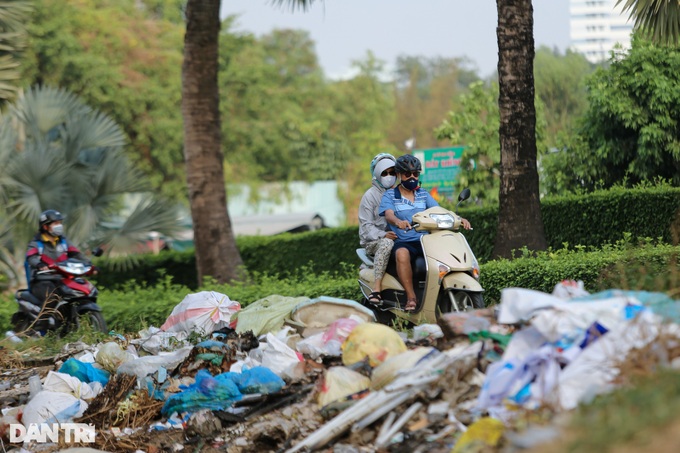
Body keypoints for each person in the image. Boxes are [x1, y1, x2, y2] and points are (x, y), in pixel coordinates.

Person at [379, 155, 471, 311]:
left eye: (416, 174)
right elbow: (389, 214)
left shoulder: (423, 194)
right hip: (406, 241)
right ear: (400, 175)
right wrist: (397, 222)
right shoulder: (390, 195)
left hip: (428, 241)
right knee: (401, 253)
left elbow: (438, 211)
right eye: (408, 174)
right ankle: (411, 297)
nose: (412, 177)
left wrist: (458, 218)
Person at [25, 210, 87, 319]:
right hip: (42, 280)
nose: (59, 226)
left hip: (62, 278)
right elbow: (31, 257)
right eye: (55, 223)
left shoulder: (63, 241)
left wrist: (89, 264)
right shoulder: (36, 243)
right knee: (52, 298)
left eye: (60, 223)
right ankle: (39, 329)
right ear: (45, 226)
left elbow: (76, 254)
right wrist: (39, 264)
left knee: (80, 292)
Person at [358, 153, 398, 305]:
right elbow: (366, 228)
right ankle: (377, 288)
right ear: (376, 175)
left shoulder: (399, 193)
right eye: (385, 173)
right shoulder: (369, 196)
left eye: (392, 172)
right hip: (374, 242)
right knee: (386, 244)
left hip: (398, 237)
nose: (389, 176)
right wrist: (383, 235)